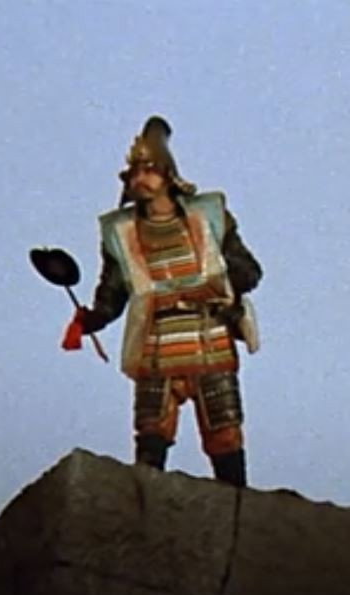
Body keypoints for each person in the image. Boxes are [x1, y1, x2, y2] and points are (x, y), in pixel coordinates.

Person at [68, 116, 263, 486]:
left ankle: (238, 503)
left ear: (168, 175)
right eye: (134, 173)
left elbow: (249, 271)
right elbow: (113, 289)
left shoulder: (209, 216)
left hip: (210, 333)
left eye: (149, 170)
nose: (140, 179)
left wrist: (222, 285)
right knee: (152, 430)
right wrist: (93, 318)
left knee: (224, 433)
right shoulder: (121, 233)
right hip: (156, 340)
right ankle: (144, 502)